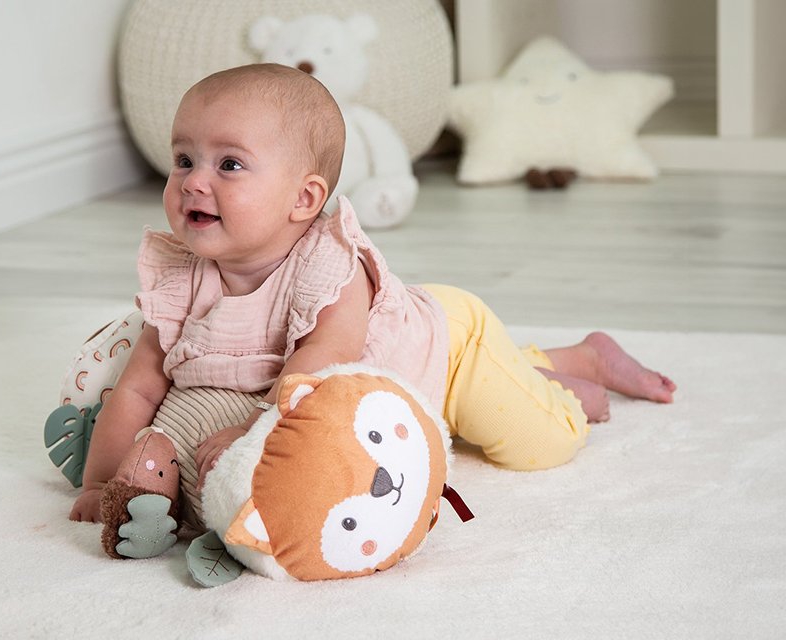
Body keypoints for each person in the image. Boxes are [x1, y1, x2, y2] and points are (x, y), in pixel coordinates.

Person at [69, 63, 676, 536]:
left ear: (304, 201)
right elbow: (141, 388)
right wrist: (100, 485)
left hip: (446, 350)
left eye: (229, 164)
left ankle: (576, 377)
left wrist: (254, 436)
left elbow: (319, 379)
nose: (193, 181)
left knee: (542, 444)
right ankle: (549, 361)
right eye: (183, 159)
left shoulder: (329, 270)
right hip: (399, 348)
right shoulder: (180, 280)